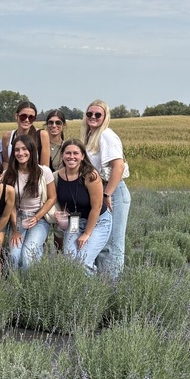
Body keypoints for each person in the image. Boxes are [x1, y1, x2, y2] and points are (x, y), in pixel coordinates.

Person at [82, 100, 131, 276]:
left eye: (98, 114)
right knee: (100, 242)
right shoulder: (90, 137)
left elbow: (118, 166)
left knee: (112, 244)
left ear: (105, 117)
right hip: (100, 192)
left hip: (113, 192)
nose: (93, 117)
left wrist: (107, 193)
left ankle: (112, 287)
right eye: (90, 114)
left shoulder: (106, 135)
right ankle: (102, 285)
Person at [55, 138, 112, 273]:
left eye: (76, 153)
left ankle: (92, 292)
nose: (71, 157)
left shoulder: (90, 175)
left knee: (83, 262)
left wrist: (86, 233)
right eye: (68, 153)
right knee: (70, 261)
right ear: (62, 155)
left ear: (82, 156)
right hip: (75, 221)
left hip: (98, 221)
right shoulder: (58, 176)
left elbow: (97, 207)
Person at [3, 135, 56, 270]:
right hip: (18, 217)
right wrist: (15, 229)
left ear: (32, 151)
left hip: (39, 218)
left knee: (28, 257)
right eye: (17, 150)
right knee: (14, 256)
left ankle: (30, 288)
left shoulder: (44, 172)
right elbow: (11, 205)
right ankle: (14, 287)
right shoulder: (8, 174)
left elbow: (52, 197)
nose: (20, 153)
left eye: (24, 149)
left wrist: (37, 217)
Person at [2, 101, 50, 168]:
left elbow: (44, 166)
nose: (27, 120)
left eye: (31, 117)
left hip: (35, 177)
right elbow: (6, 162)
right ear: (16, 116)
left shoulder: (42, 135)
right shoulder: (8, 136)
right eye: (23, 116)